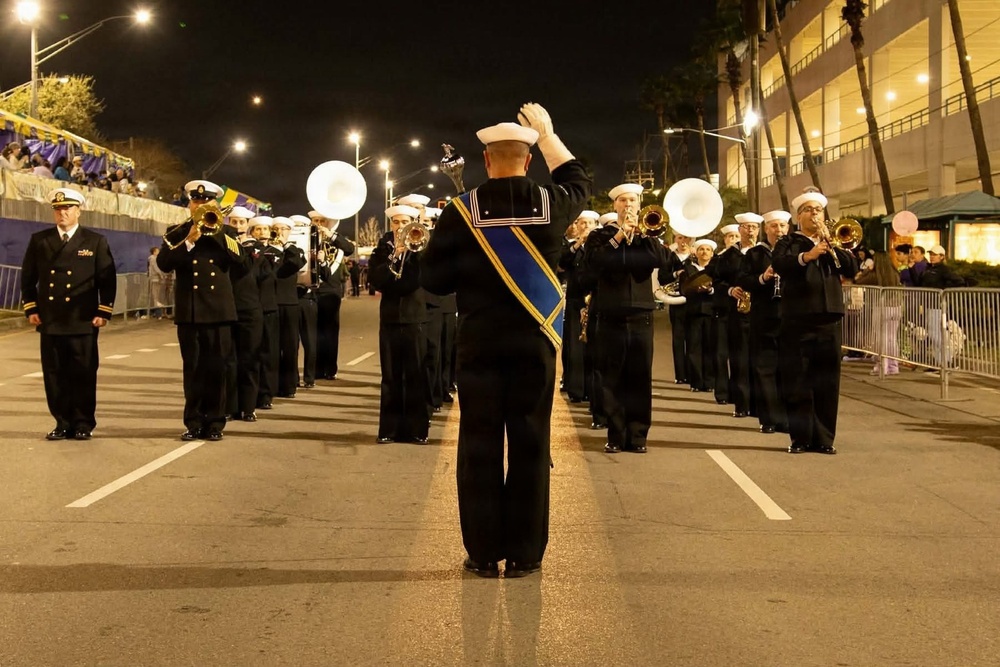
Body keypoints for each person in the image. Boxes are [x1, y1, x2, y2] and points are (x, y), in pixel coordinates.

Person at [420, 104, 590, 578]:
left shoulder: (460, 211)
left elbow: (432, 281)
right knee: (532, 442)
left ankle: (482, 550)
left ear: (487, 161)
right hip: (534, 342)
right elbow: (578, 179)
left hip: (478, 344)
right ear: (529, 161)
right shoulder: (554, 203)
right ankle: (525, 553)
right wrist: (549, 134)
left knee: (479, 444)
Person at [20, 188, 116, 440]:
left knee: (83, 372)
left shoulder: (94, 241)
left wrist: (103, 310)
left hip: (82, 318)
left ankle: (83, 422)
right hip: (51, 319)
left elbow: (107, 279)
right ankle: (62, 421)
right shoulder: (40, 240)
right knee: (54, 374)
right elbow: (28, 278)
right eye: (58, 209)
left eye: (67, 208)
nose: (62, 213)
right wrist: (31, 307)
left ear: (78, 211)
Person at [156, 180, 247, 441]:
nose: (200, 206)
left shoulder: (227, 232)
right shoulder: (177, 232)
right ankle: (193, 422)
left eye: (205, 202)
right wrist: (189, 241)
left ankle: (215, 423)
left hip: (218, 312)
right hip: (191, 312)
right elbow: (164, 263)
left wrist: (215, 231)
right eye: (196, 202)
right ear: (189, 204)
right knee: (193, 369)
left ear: (214, 205)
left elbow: (242, 263)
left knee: (217, 369)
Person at [584, 182, 670, 454]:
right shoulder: (600, 236)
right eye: (623, 201)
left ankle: (638, 436)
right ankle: (615, 434)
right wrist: (620, 235)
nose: (629, 205)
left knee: (640, 377)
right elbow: (597, 262)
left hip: (641, 316)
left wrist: (645, 235)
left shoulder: (648, 236)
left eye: (633, 200)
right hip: (610, 315)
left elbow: (661, 260)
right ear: (615, 206)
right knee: (612, 378)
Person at [772, 188, 858, 455]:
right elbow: (780, 264)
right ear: (799, 216)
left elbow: (851, 269)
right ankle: (800, 438)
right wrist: (808, 256)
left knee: (827, 382)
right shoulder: (789, 242)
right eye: (808, 210)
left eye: (818, 210)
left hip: (829, 319)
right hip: (797, 319)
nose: (814, 214)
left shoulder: (833, 242)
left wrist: (831, 244)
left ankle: (824, 439)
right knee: (798, 380)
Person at [369, 204, 429, 444]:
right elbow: (376, 280)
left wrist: (410, 254)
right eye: (396, 223)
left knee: (416, 374)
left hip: (415, 317)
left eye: (405, 222)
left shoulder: (421, 249)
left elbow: (417, 280)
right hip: (391, 318)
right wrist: (395, 256)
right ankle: (389, 429)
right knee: (391, 376)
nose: (400, 227)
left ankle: (416, 430)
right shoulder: (382, 250)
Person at [738, 209, 790, 433]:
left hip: (788, 316)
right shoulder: (755, 254)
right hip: (763, 315)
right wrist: (762, 278)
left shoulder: (793, 251)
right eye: (774, 226)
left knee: (787, 368)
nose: (778, 230)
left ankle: (786, 417)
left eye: (782, 226)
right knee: (764, 368)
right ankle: (769, 419)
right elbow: (743, 279)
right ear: (766, 229)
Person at [712, 214, 762, 417]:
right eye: (746, 227)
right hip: (737, 312)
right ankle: (742, 404)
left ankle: (759, 405)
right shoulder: (728, 256)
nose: (750, 231)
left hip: (761, 312)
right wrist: (730, 289)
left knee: (760, 360)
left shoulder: (764, 252)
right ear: (739, 230)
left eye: (753, 227)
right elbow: (716, 280)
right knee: (740, 359)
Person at [224, 206, 267, 422]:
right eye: (234, 222)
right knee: (229, 360)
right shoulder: (222, 243)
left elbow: (246, 265)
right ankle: (230, 406)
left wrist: (235, 242)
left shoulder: (254, 246)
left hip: (250, 309)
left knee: (249, 359)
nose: (238, 227)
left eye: (242, 223)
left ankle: (248, 407)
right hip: (227, 307)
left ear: (248, 225)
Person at [559, 210, 599, 403]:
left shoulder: (600, 247)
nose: (585, 226)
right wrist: (578, 244)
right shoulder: (572, 248)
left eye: (589, 223)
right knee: (575, 345)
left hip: (595, 300)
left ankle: (592, 389)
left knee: (593, 347)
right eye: (582, 223)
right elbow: (562, 262)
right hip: (575, 301)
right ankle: (576, 388)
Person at [270, 217, 307, 398]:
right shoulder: (267, 251)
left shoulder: (295, 251)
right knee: (273, 347)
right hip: (271, 303)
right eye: (276, 229)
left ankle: (289, 385)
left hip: (290, 303)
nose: (279, 232)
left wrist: (285, 245)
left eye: (283, 229)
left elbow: (296, 264)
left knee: (291, 346)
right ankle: (274, 385)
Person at [855, 250, 903, 376]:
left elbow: (858, 281)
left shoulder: (876, 275)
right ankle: (893, 366)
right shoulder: (894, 273)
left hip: (882, 307)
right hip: (896, 307)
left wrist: (867, 270)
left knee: (881, 338)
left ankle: (882, 367)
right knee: (892, 338)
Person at [681, 239, 717, 393]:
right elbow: (683, 290)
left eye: (707, 249)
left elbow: (721, 287)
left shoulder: (716, 269)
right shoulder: (688, 269)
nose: (704, 252)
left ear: (712, 253)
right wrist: (696, 289)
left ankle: (709, 382)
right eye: (701, 249)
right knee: (694, 347)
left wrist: (710, 290)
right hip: (693, 312)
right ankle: (696, 381)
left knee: (710, 347)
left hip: (711, 312)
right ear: (696, 252)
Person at [147, 246, 168, 318]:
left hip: (156, 278)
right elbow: (156, 268)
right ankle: (157, 310)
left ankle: (157, 311)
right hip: (154, 278)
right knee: (155, 294)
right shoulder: (153, 259)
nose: (158, 252)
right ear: (154, 252)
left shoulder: (154, 259)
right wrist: (161, 274)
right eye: (157, 251)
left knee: (157, 294)